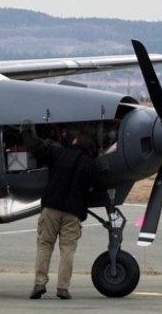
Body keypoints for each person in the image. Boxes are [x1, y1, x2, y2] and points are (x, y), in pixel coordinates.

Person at [21, 123, 105, 299]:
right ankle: (62, 288)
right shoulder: (90, 164)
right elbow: (99, 186)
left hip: (51, 207)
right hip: (73, 211)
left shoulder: (58, 153)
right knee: (67, 249)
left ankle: (39, 284)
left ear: (73, 141)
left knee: (45, 245)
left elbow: (36, 148)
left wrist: (26, 131)